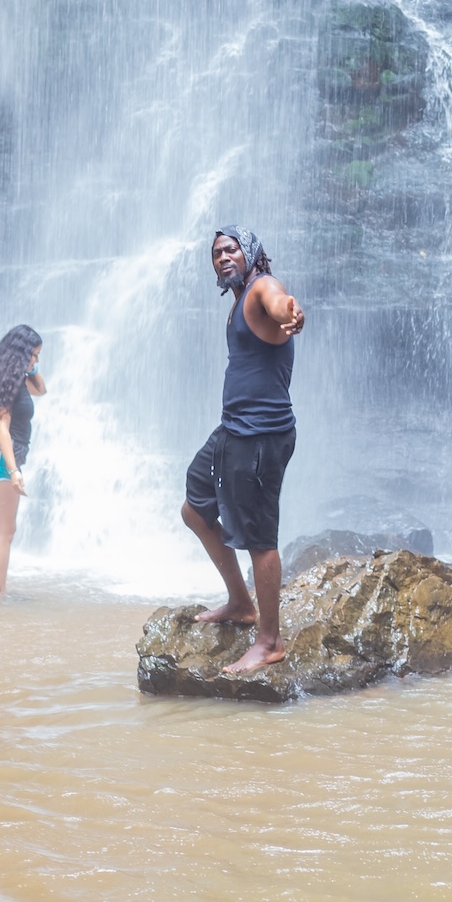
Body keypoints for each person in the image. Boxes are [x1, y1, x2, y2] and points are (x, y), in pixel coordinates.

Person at [181, 226, 305, 674]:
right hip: (232, 431)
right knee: (194, 508)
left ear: (250, 253)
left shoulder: (261, 290)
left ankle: (269, 642)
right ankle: (240, 601)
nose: (222, 257)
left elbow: (281, 303)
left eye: (230, 249)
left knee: (259, 539)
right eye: (215, 253)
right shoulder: (238, 301)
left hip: (261, 437)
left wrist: (291, 313)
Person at [0, 324, 46, 598]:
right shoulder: (7, 382)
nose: (36, 360)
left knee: (3, 531)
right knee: (5, 532)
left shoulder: (17, 378)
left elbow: (41, 390)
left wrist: (31, 368)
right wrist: (14, 470)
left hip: (2, 458)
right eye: (34, 355)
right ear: (22, 353)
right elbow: (1, 427)